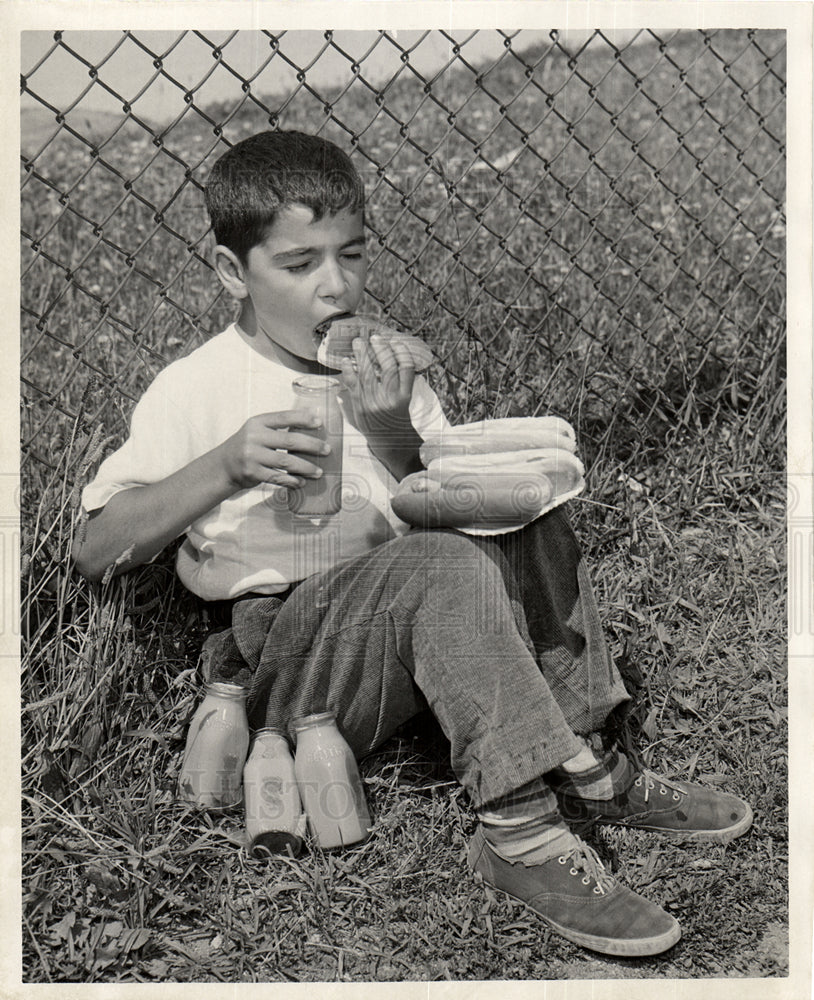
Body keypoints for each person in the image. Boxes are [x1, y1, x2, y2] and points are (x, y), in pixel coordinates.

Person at [73, 129, 753, 959]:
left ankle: (591, 759)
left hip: (410, 641)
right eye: (298, 266)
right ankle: (521, 834)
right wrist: (223, 465)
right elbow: (97, 546)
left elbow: (445, 504)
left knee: (525, 508)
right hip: (291, 673)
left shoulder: (385, 372)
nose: (335, 286)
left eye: (351, 255)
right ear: (230, 272)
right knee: (437, 562)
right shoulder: (200, 386)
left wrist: (393, 430)